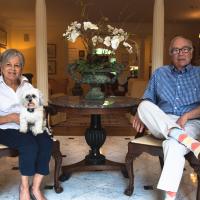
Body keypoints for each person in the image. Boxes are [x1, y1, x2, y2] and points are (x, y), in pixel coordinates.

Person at [132, 36, 200, 200]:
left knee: (173, 144)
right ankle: (184, 139)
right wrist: (141, 114)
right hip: (162, 120)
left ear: (191, 52)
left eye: (185, 49)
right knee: (143, 106)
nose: (181, 53)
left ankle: (169, 197)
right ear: (170, 53)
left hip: (191, 121)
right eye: (176, 50)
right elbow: (147, 99)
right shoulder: (160, 73)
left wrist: (186, 116)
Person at [0, 49, 53, 200]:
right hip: (5, 128)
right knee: (29, 145)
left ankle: (35, 188)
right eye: (8, 65)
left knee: (46, 143)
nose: (13, 69)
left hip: (28, 125)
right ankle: (24, 188)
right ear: (1, 67)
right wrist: (11, 117)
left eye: (17, 65)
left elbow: (37, 105)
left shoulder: (27, 85)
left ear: (21, 68)